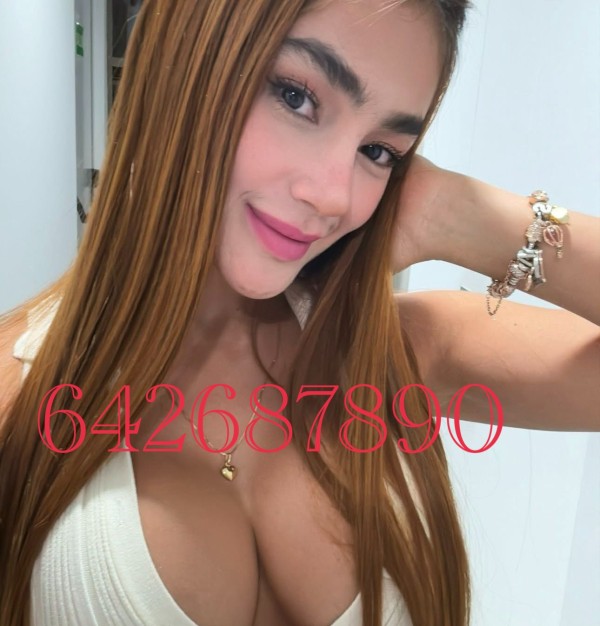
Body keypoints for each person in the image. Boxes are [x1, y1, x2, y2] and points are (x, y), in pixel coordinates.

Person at [0, 0, 598, 625]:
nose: (334, 196)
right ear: (186, 63)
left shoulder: (401, 353)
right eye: (296, 97)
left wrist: (457, 213)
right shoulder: (20, 394)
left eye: (379, 151)